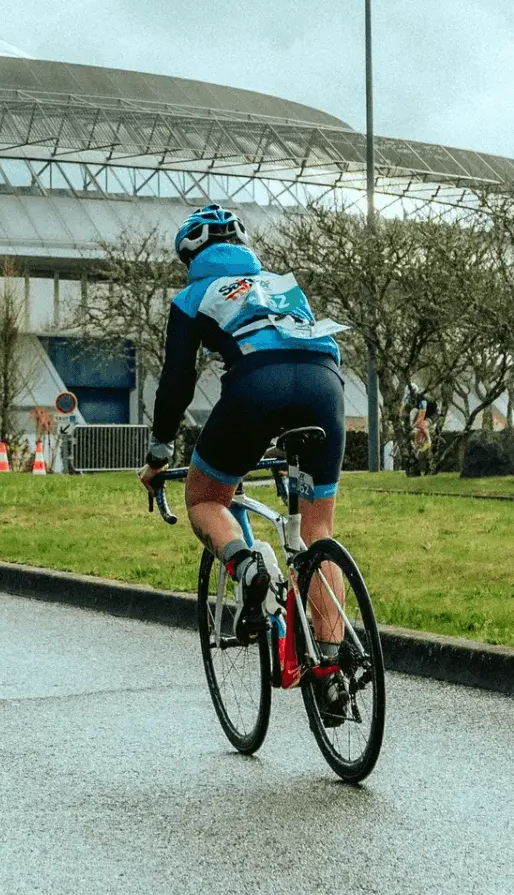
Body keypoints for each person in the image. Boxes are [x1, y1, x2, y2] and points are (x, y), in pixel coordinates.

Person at [137, 205, 354, 715]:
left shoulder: (191, 296)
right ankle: (331, 668)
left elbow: (176, 383)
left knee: (207, 499)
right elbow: (302, 351)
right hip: (325, 384)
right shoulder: (283, 286)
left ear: (190, 256)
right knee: (317, 531)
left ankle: (248, 568)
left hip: (258, 385)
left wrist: (159, 453)